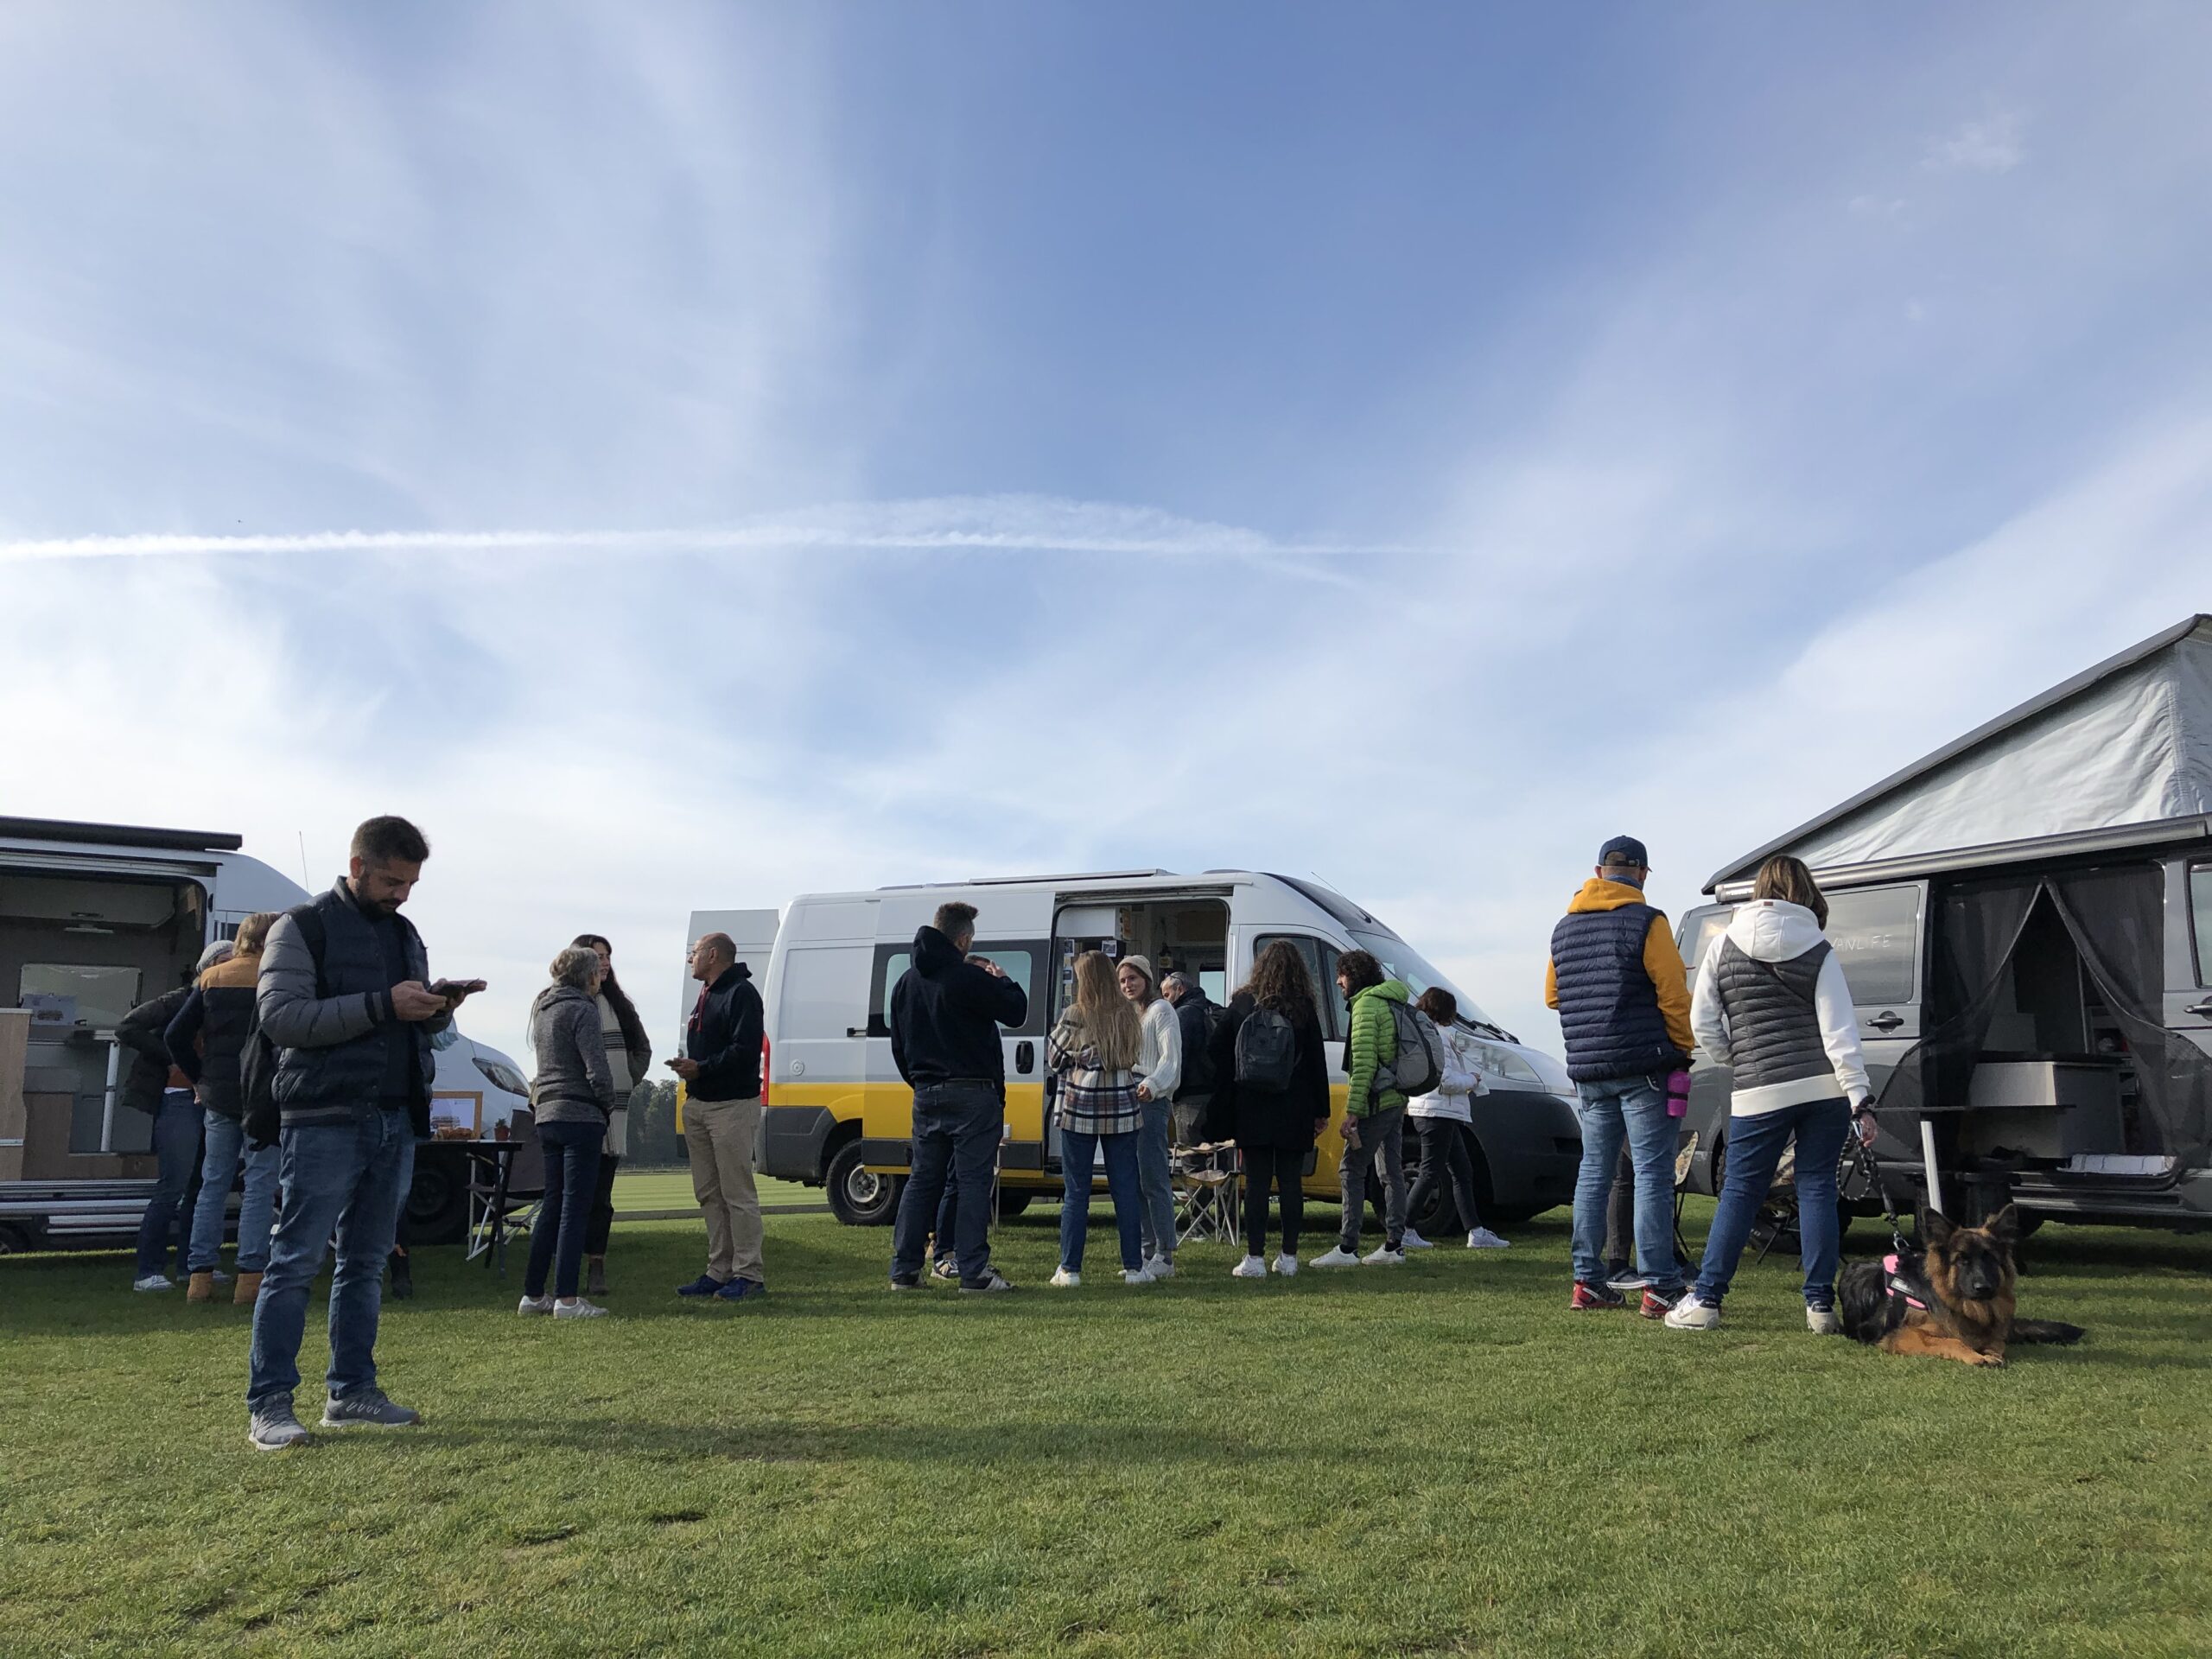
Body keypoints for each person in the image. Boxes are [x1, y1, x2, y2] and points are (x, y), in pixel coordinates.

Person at [246, 815, 482, 1451]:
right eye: (391, 880)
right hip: (324, 1115)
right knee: (294, 1259)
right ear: (357, 867)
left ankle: (350, 1391)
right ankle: (269, 1406)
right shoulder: (302, 927)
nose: (402, 893)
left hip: (395, 1117)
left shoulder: (406, 933)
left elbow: (412, 1026)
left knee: (366, 1262)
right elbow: (281, 1018)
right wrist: (385, 1005)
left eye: (410, 883)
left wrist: (437, 1011)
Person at [1667, 855, 1878, 1335]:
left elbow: (1702, 1023)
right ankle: (1820, 1307)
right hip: (1822, 1088)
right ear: (1805, 892)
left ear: (1759, 889)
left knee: (1741, 1191)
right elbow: (1839, 1030)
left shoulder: (1723, 944)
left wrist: (1738, 1058)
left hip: (1758, 1090)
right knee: (1818, 1187)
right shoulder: (1819, 947)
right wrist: (1859, 1095)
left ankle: (1706, 1300)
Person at [1546, 834, 1694, 1317]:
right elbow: (1672, 991)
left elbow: (1553, 996)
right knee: (1652, 1172)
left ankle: (1587, 1281)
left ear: (1598, 871)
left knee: (1594, 1172)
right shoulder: (1648, 921)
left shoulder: (1564, 928)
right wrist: (1683, 1046)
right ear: (1643, 876)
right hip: (1643, 1064)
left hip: (1588, 1068)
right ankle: (1660, 1284)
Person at [887, 904, 1028, 1293]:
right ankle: (974, 1271)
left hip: (926, 1093)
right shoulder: (968, 977)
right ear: (964, 940)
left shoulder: (905, 983)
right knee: (972, 1181)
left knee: (922, 1181)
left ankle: (904, 1269)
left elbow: (899, 1045)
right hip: (973, 1093)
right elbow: (1016, 1012)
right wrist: (1002, 979)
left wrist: (920, 1082)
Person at [168, 913, 283, 1305]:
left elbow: (175, 1034)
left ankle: (199, 1276)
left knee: (212, 1183)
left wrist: (199, 1077)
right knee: (260, 1185)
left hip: (218, 1094)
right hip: (264, 1094)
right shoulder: (277, 978)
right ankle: (250, 1276)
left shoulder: (212, 978)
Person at [1208, 939, 1330, 1278]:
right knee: (1292, 1182)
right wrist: (1321, 1110)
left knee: (1257, 1182)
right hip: (1295, 1106)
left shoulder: (1244, 1003)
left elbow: (1216, 1048)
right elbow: (1317, 1063)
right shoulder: (1304, 1007)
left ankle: (1255, 1258)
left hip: (1252, 1104)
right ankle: (1289, 1257)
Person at [1046, 950, 1154, 1287]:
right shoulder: (1128, 1014)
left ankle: (1070, 1269)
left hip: (1080, 1109)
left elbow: (1053, 1057)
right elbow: (1133, 1055)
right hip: (1122, 1109)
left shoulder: (1075, 1014)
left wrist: (1079, 1058)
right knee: (1124, 1189)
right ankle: (1134, 1267)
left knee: (1077, 1191)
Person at [671, 931, 768, 1303]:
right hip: (699, 1104)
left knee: (737, 1193)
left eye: (694, 953)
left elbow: (745, 1051)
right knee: (709, 1193)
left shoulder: (741, 994)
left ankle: (749, 1273)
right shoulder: (707, 993)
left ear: (713, 955)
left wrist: (702, 1067)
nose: (690, 960)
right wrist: (692, 1069)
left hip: (731, 1106)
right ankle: (719, 1269)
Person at [519, 945, 616, 1319]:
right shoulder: (583, 1009)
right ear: (588, 976)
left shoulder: (544, 1009)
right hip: (580, 1113)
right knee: (577, 1208)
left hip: (547, 1113)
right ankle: (567, 1298)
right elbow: (596, 1067)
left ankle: (533, 1294)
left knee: (553, 1203)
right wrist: (607, 1102)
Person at [1310, 950, 1414, 1268]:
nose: (1339, 981)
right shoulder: (1390, 1000)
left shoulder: (1366, 1005)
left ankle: (1347, 1246)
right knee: (1390, 1171)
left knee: (1351, 1169)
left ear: (1354, 975)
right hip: (1395, 1098)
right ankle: (1395, 1244)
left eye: (1342, 974)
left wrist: (1353, 1113)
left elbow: (1363, 1063)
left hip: (1377, 1101)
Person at [118, 963, 209, 1292]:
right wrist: (172, 1057)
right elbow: (128, 1027)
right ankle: (148, 1271)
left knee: (199, 1188)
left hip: (207, 1099)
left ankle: (191, 1266)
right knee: (173, 1186)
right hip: (177, 1097)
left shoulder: (224, 1000)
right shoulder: (179, 1000)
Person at [1402, 987, 1511, 1252]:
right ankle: (1403, 1229)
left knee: (1462, 1172)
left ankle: (1475, 1231)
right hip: (1437, 1113)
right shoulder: (1438, 1037)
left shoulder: (1424, 1035)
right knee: (1431, 1172)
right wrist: (1472, 1081)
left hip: (1437, 1112)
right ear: (1445, 1011)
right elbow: (1446, 1081)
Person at [573, 932, 651, 1299]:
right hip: (576, 1110)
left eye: (607, 956)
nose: (603, 962)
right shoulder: (567, 1002)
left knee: (601, 1198)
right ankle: (566, 1266)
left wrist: (627, 1080)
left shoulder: (620, 1005)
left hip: (613, 1117)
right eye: (596, 956)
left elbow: (642, 1049)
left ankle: (596, 1265)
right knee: (575, 1195)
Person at [1119, 954, 1184, 1280]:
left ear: (1146, 978)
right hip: (1126, 1095)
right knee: (1133, 1180)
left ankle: (1165, 1254)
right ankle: (1146, 1252)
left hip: (1151, 1099)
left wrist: (1152, 1084)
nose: (1127, 985)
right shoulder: (1128, 1014)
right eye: (1122, 981)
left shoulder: (1162, 1010)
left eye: (1132, 978)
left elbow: (1171, 1060)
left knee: (1154, 1178)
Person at [1161, 972, 1219, 1146]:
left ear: (1179, 989)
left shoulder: (1181, 1015)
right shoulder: (1211, 1008)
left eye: (1166, 995)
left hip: (1189, 1097)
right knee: (1215, 1154)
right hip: (1213, 1092)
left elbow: (1179, 1057)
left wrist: (1173, 1092)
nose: (1165, 1001)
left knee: (1192, 1156)